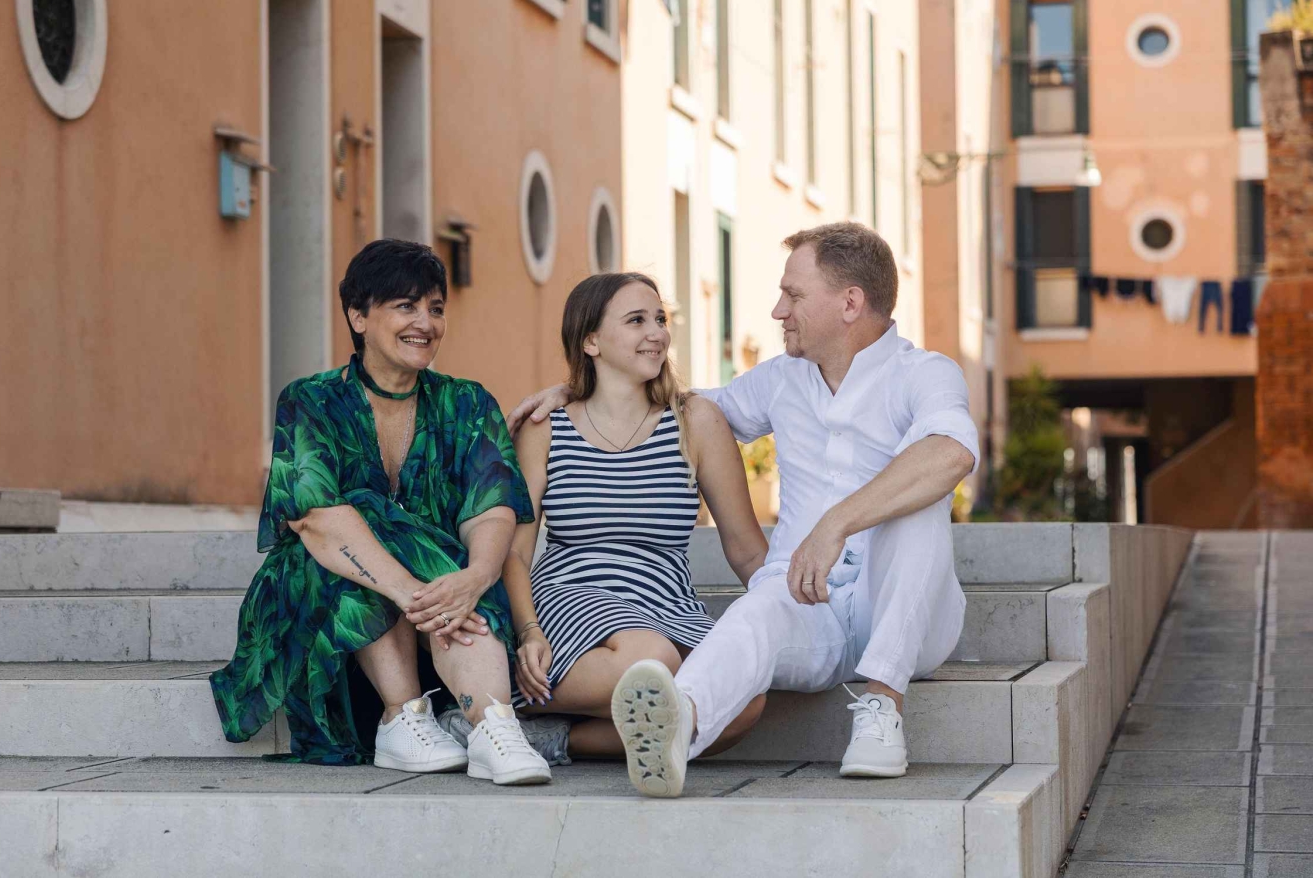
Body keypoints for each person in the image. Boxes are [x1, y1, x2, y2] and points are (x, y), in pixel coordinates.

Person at [509, 223, 978, 797]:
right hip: (811, 604)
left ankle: (881, 703)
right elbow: (676, 405)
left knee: (916, 502)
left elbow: (951, 453)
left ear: (850, 302)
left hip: (903, 611)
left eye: (795, 295)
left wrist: (837, 523)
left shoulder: (924, 373)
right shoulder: (782, 379)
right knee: (759, 608)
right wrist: (573, 390)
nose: (779, 311)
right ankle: (672, 733)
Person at [212, 239, 552, 785]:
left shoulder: (467, 404)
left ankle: (494, 726)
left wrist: (475, 577)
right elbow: (315, 519)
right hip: (323, 599)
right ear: (358, 315)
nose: (426, 322)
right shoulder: (311, 400)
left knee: (454, 560)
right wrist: (413, 594)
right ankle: (402, 716)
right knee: (363, 520)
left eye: (436, 308)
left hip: (440, 601)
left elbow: (491, 510)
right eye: (406, 305)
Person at [440, 273, 768, 763]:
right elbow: (516, 549)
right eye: (636, 320)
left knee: (743, 700)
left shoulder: (696, 420)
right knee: (652, 661)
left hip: (666, 601)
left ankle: (547, 739)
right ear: (590, 340)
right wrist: (526, 630)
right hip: (569, 600)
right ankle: (507, 694)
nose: (656, 332)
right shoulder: (546, 427)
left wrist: (785, 613)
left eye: (659, 318)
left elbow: (744, 547)